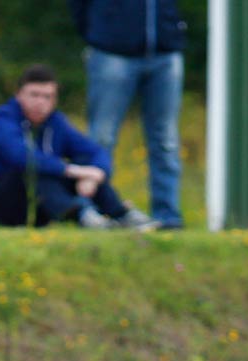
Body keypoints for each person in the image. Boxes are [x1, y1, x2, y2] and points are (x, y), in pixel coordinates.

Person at [0, 65, 156, 230]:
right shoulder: (3, 118)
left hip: (39, 201)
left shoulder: (56, 122)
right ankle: (83, 215)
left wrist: (95, 174)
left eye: (47, 97)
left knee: (84, 162)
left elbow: (95, 151)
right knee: (34, 167)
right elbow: (20, 156)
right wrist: (73, 171)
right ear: (19, 94)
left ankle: (120, 214)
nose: (40, 102)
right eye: (34, 95)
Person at [71, 0, 187, 230]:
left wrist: (171, 27)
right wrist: (101, 30)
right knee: (101, 138)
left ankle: (168, 215)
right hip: (112, 51)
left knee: (166, 140)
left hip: (165, 51)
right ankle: (94, 212)